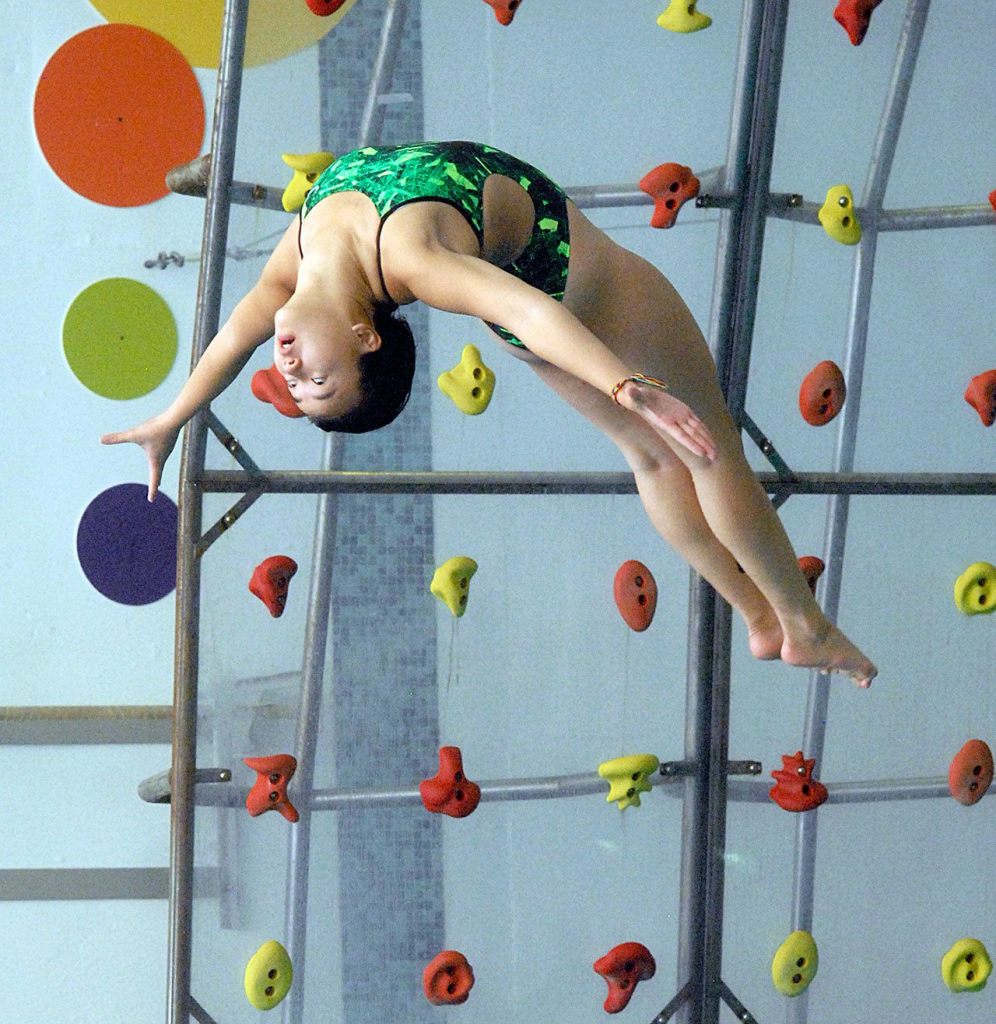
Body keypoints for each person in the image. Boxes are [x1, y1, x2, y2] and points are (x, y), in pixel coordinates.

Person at [102, 140, 877, 685]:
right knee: (707, 448)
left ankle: (759, 619)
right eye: (321, 386)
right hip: (577, 287)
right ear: (366, 337)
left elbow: (233, 339)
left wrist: (172, 419)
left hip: (541, 312)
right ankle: (801, 623)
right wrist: (623, 384)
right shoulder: (408, 260)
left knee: (652, 459)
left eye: (301, 389)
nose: (293, 373)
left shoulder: (295, 262)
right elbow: (526, 309)